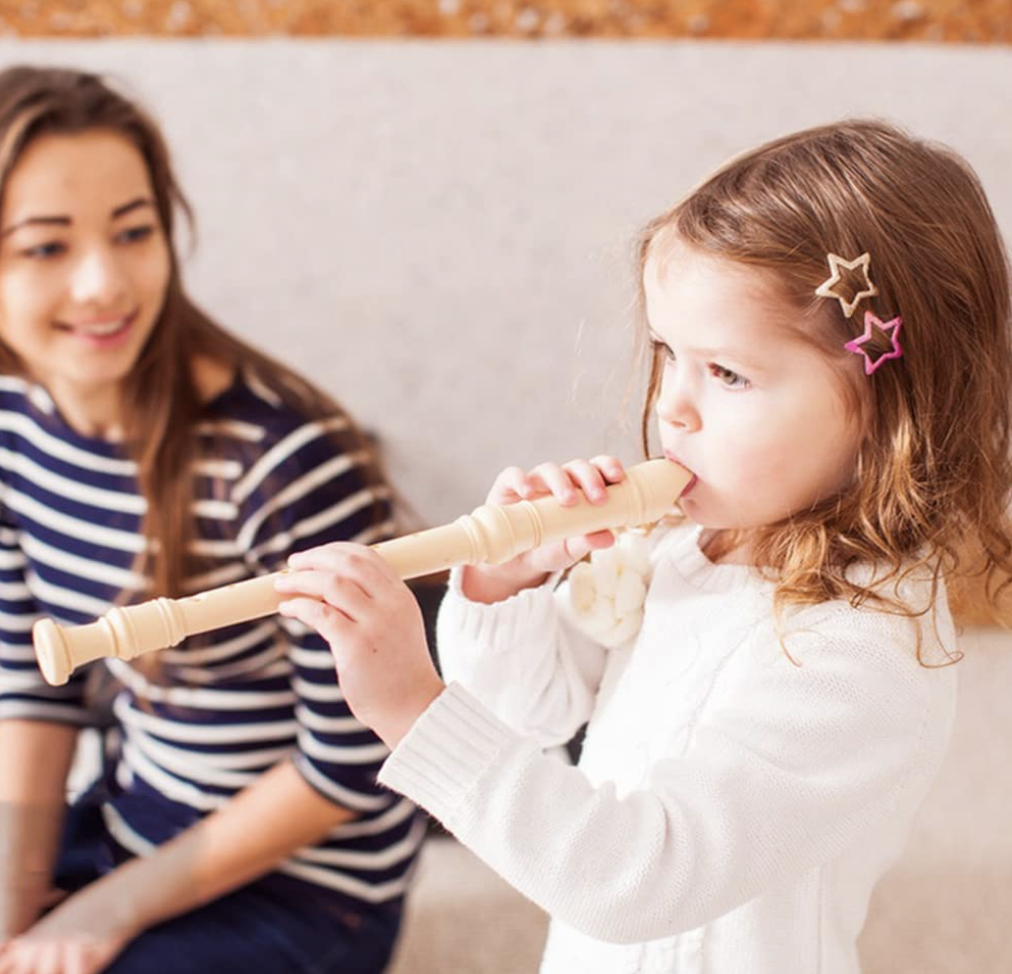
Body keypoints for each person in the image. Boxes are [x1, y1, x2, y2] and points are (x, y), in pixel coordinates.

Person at [275, 118, 1012, 974]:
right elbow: (526, 717)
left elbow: (636, 880)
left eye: (727, 373)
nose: (673, 407)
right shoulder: (687, 549)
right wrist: (505, 588)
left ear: (891, 412)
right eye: (668, 353)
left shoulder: (863, 650)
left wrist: (410, 707)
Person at [0, 66, 422, 974]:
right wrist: (15, 905)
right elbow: (34, 689)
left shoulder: (279, 460)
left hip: (314, 886)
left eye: (133, 232)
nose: (103, 283)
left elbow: (352, 763)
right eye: (45, 247)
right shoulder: (12, 429)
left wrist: (105, 912)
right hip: (139, 820)